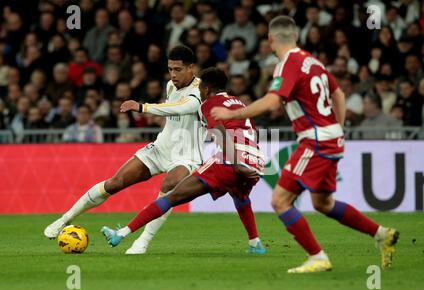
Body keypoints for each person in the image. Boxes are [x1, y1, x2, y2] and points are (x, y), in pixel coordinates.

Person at [211, 16, 399, 273]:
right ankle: (381, 234)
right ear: (297, 36)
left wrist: (232, 115)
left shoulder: (288, 63)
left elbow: (272, 102)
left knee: (279, 200)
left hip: (316, 141)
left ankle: (317, 257)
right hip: (330, 137)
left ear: (269, 39)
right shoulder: (313, 62)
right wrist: (338, 128)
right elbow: (339, 94)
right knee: (323, 203)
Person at [44, 45, 203, 255]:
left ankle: (142, 242)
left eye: (178, 69)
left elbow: (183, 108)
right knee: (114, 183)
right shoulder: (171, 86)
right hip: (161, 148)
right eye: (170, 69)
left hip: (187, 156)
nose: (173, 74)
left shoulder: (202, 90)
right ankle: (64, 219)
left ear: (191, 68)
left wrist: (142, 107)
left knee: (170, 183)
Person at [100, 67, 266, 255]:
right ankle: (255, 244)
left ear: (207, 89)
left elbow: (220, 133)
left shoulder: (209, 103)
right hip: (255, 160)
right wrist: (246, 161)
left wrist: (236, 164)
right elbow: (253, 132)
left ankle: (121, 234)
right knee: (240, 196)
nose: (199, 91)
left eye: (201, 87)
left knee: (171, 196)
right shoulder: (239, 103)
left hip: (230, 161)